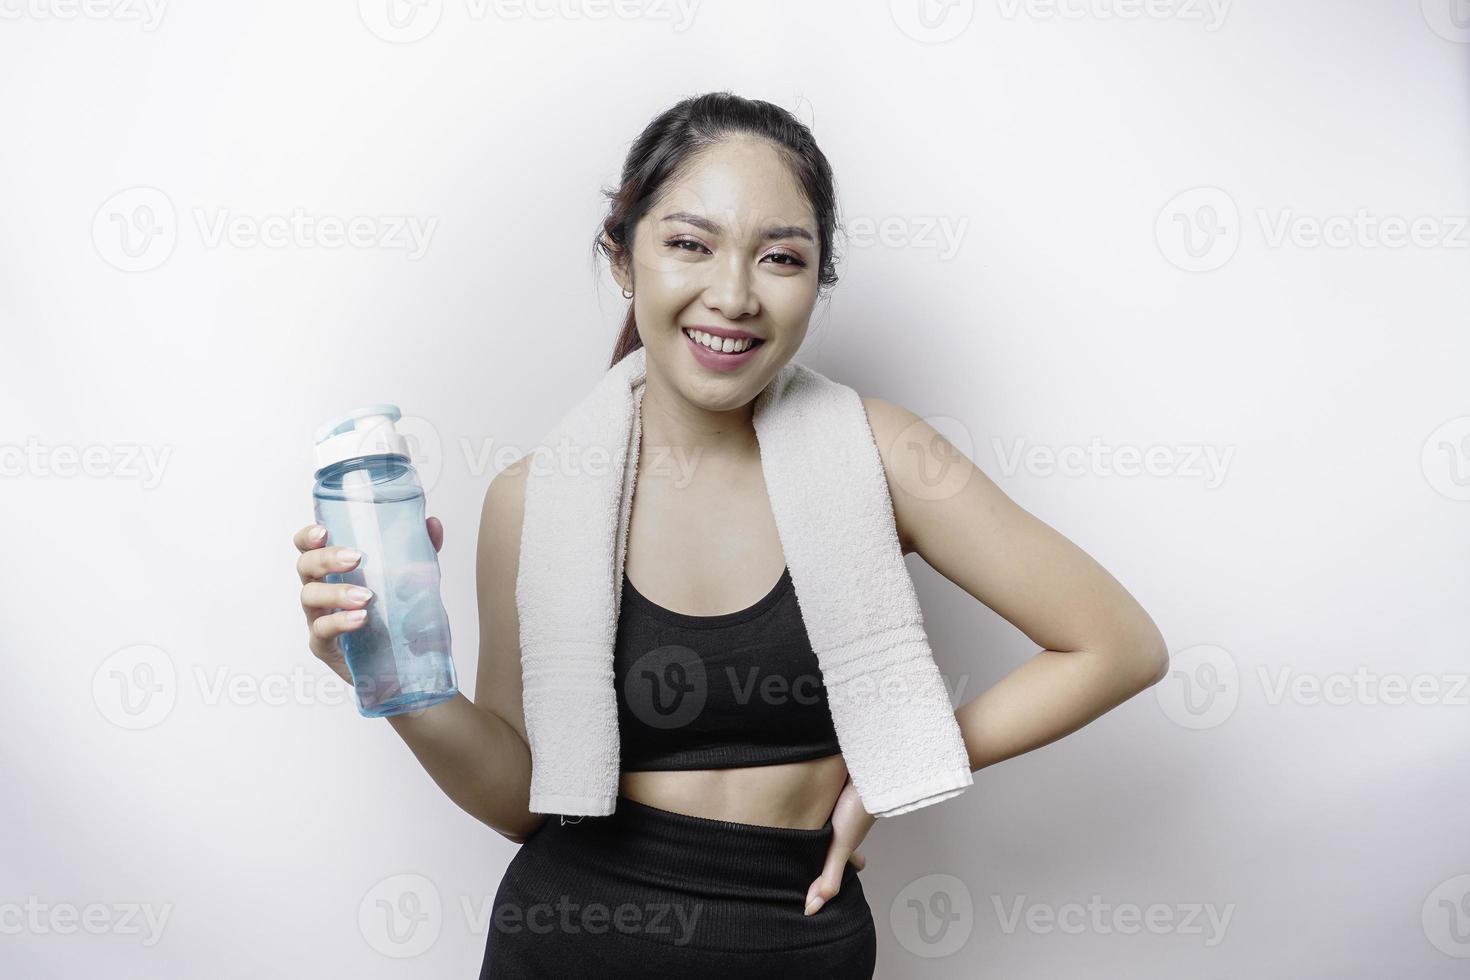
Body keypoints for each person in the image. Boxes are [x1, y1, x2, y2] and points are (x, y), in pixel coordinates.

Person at [293, 91, 1169, 978]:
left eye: (780, 257)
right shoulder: (530, 499)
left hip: (795, 942)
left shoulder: (885, 456)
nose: (735, 295)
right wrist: (399, 680)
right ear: (623, 258)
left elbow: (1116, 644)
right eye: (689, 243)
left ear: (817, 279)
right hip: (567, 940)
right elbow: (524, 800)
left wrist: (901, 765)